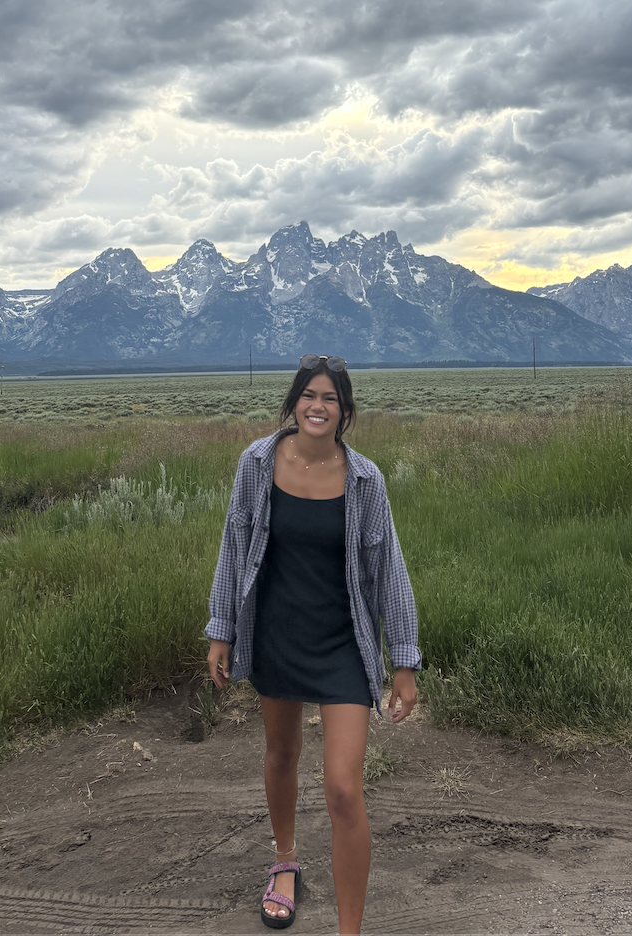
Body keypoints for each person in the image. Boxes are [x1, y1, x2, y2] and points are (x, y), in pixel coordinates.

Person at [205, 353, 421, 934]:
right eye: (309, 396)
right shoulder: (256, 463)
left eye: (330, 399)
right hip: (275, 635)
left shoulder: (365, 480)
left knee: (345, 789)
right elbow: (233, 548)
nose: (318, 407)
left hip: (342, 645)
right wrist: (221, 629)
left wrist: (404, 660)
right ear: (293, 403)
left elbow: (388, 571)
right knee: (281, 755)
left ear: (345, 412)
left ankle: (350, 930)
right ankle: (285, 862)